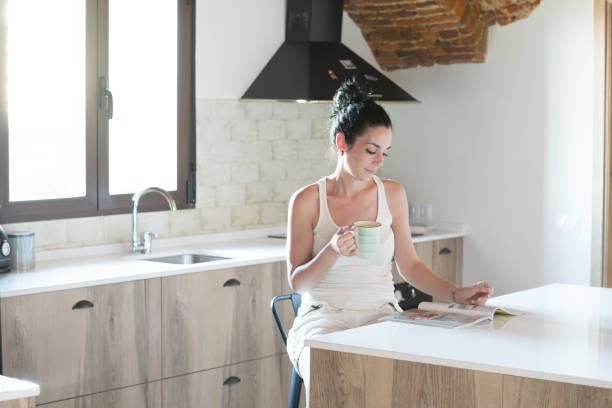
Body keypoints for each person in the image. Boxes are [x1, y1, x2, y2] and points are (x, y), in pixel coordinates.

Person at [285, 78, 494, 406]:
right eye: (371, 150)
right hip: (323, 317)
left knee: (415, 379)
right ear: (342, 142)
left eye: (384, 152)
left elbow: (409, 264)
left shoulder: (393, 194)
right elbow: (298, 282)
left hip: (380, 314)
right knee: (336, 378)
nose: (379, 161)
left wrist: (458, 293)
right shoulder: (307, 200)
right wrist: (333, 250)